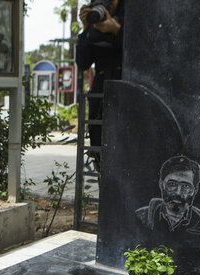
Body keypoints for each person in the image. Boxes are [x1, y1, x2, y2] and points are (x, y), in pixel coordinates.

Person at [76, 0, 124, 170]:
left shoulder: (132, 12)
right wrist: (86, 27)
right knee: (100, 157)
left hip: (126, 98)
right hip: (100, 101)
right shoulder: (94, 21)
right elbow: (82, 62)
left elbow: (144, 47)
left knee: (124, 158)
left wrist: (117, 30)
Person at [135, 155, 200, 237]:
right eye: (172, 184)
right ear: (161, 185)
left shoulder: (199, 221)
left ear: (195, 190)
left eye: (186, 186)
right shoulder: (141, 217)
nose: (178, 193)